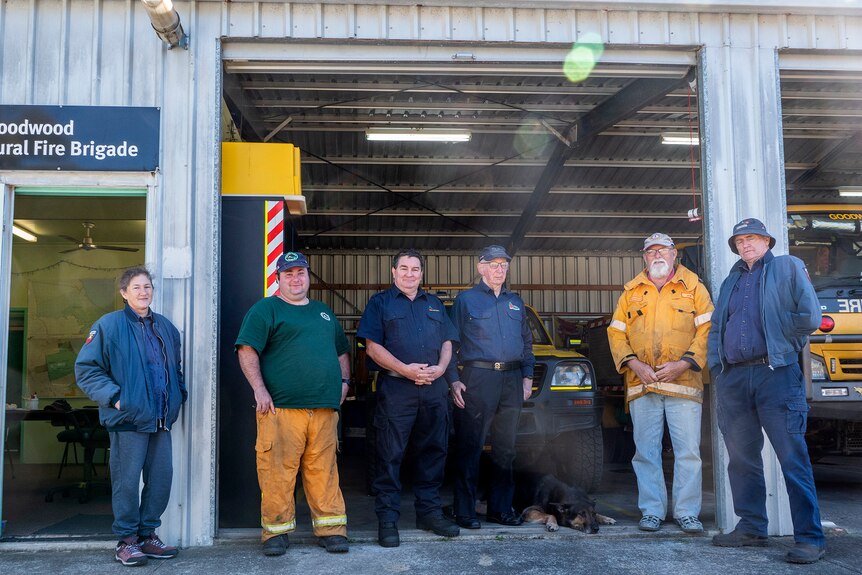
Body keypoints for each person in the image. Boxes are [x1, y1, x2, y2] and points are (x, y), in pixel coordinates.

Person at [708, 218, 825, 564]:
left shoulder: (787, 267)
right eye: (740, 240)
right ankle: (752, 528)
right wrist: (719, 368)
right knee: (742, 459)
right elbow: (717, 328)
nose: (746, 245)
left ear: (767, 241)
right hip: (735, 379)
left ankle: (810, 538)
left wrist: (781, 335)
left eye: (753, 238)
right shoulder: (731, 280)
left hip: (776, 375)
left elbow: (810, 316)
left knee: (793, 458)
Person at [235, 252, 351, 557]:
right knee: (277, 472)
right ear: (278, 279)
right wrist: (259, 389)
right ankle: (275, 533)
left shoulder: (323, 313)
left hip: (324, 410)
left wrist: (344, 382)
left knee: (324, 471)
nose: (296, 279)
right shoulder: (266, 310)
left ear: (308, 276)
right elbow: (247, 350)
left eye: (300, 273)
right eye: (289, 274)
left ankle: (332, 530)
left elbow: (341, 352)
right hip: (281, 410)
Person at [76, 267, 187, 567]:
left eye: (147, 286)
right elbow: (86, 369)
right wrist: (115, 398)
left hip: (161, 419)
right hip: (128, 420)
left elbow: (175, 370)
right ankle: (126, 541)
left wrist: (179, 395)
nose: (143, 292)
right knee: (126, 482)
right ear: (124, 293)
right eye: (136, 287)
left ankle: (148, 535)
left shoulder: (166, 327)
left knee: (161, 480)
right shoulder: (108, 326)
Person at [607, 233, 713, 534]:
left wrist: (684, 363)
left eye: (663, 250)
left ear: (673, 255)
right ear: (644, 257)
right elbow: (616, 333)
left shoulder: (693, 288)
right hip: (643, 383)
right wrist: (633, 363)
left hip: (683, 382)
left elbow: (707, 330)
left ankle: (687, 513)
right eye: (651, 251)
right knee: (646, 452)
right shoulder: (631, 292)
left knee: (688, 452)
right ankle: (652, 511)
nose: (657, 256)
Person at [357, 248, 460, 547]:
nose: (409, 274)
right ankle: (388, 520)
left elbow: (447, 342)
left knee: (434, 452)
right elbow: (372, 347)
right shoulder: (380, 303)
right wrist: (405, 370)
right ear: (393, 271)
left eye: (415, 269)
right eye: (404, 268)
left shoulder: (436, 304)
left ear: (422, 273)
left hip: (434, 390)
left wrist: (441, 369)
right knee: (390, 455)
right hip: (397, 390)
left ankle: (428, 514)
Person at [448, 245, 535, 529]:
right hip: (479, 378)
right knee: (470, 446)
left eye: (504, 265)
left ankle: (499, 509)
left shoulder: (516, 302)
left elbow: (527, 343)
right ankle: (465, 511)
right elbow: (451, 343)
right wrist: (453, 380)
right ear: (480, 267)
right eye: (494, 264)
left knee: (506, 449)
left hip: (511, 381)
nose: (500, 269)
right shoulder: (466, 301)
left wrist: (527, 376)